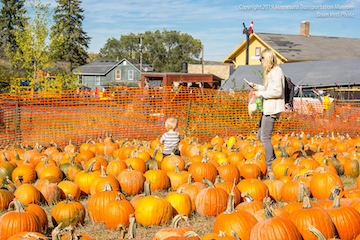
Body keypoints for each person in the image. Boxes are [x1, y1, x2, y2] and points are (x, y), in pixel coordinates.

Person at [246, 48, 285, 172]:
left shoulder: (276, 72)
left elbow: (277, 92)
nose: (260, 61)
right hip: (267, 109)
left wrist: (260, 94)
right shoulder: (271, 72)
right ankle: (272, 160)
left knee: (265, 138)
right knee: (260, 135)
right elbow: (269, 89)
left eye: (261, 59)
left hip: (272, 109)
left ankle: (270, 166)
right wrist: (256, 87)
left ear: (267, 58)